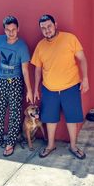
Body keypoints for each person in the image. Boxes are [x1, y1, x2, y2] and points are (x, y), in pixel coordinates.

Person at [31, 14, 89, 159]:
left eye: (49, 26)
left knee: (72, 118)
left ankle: (74, 146)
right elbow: (38, 69)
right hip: (49, 89)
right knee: (49, 118)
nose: (47, 30)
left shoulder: (70, 38)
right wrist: (36, 88)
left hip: (70, 86)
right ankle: (51, 145)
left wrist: (85, 78)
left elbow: (82, 59)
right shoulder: (40, 45)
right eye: (43, 28)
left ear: (55, 24)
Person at [0, 15, 33, 157]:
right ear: (4, 30)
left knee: (14, 113)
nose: (11, 33)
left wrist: (29, 90)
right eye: (8, 30)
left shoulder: (22, 47)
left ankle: (11, 142)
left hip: (15, 82)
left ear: (18, 29)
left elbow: (25, 70)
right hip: (0, 80)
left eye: (13, 30)